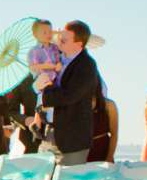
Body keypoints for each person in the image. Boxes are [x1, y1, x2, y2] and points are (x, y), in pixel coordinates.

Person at [40, 20, 104, 165]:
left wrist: (47, 88)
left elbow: (69, 96)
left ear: (79, 44)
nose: (60, 41)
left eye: (64, 39)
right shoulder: (55, 60)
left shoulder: (86, 65)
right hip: (48, 134)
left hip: (72, 140)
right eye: (60, 37)